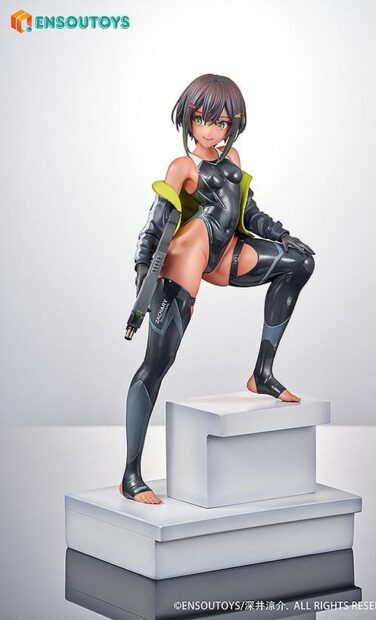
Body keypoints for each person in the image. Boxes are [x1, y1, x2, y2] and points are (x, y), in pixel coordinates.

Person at [120, 74, 315, 505]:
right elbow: (155, 224)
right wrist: (143, 275)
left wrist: (283, 235)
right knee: (156, 364)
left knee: (300, 263)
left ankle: (261, 374)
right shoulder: (183, 167)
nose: (210, 131)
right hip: (188, 257)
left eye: (221, 122)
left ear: (234, 124)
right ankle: (130, 474)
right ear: (189, 120)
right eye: (202, 120)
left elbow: (250, 212)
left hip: (227, 254)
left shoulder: (234, 160)